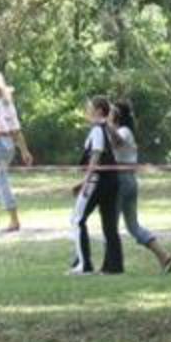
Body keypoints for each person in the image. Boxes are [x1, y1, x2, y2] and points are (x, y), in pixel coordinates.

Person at [110, 101, 171, 273]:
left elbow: (117, 140)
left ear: (117, 115)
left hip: (122, 181)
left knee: (111, 225)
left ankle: (112, 265)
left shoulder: (124, 131)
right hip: (129, 180)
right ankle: (164, 257)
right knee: (133, 227)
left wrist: (104, 124)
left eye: (110, 112)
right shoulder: (122, 130)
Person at [69, 96, 123, 275]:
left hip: (98, 181)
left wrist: (85, 183)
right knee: (109, 224)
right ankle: (114, 266)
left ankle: (84, 265)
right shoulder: (106, 129)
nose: (87, 111)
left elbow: (96, 156)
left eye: (90, 108)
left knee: (77, 219)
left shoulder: (98, 130)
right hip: (111, 180)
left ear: (99, 111)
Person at [0, 70, 33, 232]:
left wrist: (25, 151)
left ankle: (14, 220)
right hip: (4, 145)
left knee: (0, 180)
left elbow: (14, 129)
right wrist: (23, 150)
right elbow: (15, 130)